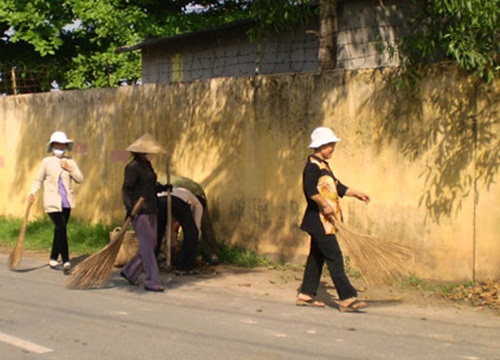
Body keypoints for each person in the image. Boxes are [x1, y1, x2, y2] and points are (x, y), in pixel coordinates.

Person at [297, 127, 370, 312]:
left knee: (317, 257)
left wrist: (357, 194)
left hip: (325, 221)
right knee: (335, 257)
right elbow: (310, 190)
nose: (332, 149)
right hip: (319, 221)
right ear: (320, 146)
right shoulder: (312, 166)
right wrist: (324, 204)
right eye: (330, 145)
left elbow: (338, 187)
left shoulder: (324, 166)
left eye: (332, 145)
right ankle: (347, 298)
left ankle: (305, 294)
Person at [29, 131, 84, 275]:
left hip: (66, 202)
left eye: (63, 145)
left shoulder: (70, 161)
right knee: (61, 228)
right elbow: (38, 180)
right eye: (57, 144)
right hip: (52, 202)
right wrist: (33, 193)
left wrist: (69, 169)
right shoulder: (46, 162)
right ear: (52, 146)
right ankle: (66, 261)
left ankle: (53, 257)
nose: (60, 147)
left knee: (59, 229)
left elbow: (80, 178)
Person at [120, 133, 166, 292]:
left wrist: (163, 188)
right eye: (151, 151)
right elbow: (126, 189)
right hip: (139, 211)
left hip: (152, 208)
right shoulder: (132, 167)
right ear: (143, 151)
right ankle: (152, 280)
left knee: (151, 244)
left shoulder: (147, 165)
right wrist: (130, 208)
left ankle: (130, 271)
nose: (153, 154)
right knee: (147, 246)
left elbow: (149, 186)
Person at [156, 175, 220, 266]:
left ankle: (211, 253)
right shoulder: (156, 186)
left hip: (191, 192)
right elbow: (195, 230)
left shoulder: (197, 201)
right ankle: (207, 255)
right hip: (173, 194)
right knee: (196, 229)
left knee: (203, 224)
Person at [156, 185, 203, 274]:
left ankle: (149, 262)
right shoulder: (197, 204)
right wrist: (194, 242)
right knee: (192, 233)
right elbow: (195, 228)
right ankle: (184, 266)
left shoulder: (180, 190)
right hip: (177, 200)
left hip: (159, 199)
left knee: (157, 232)